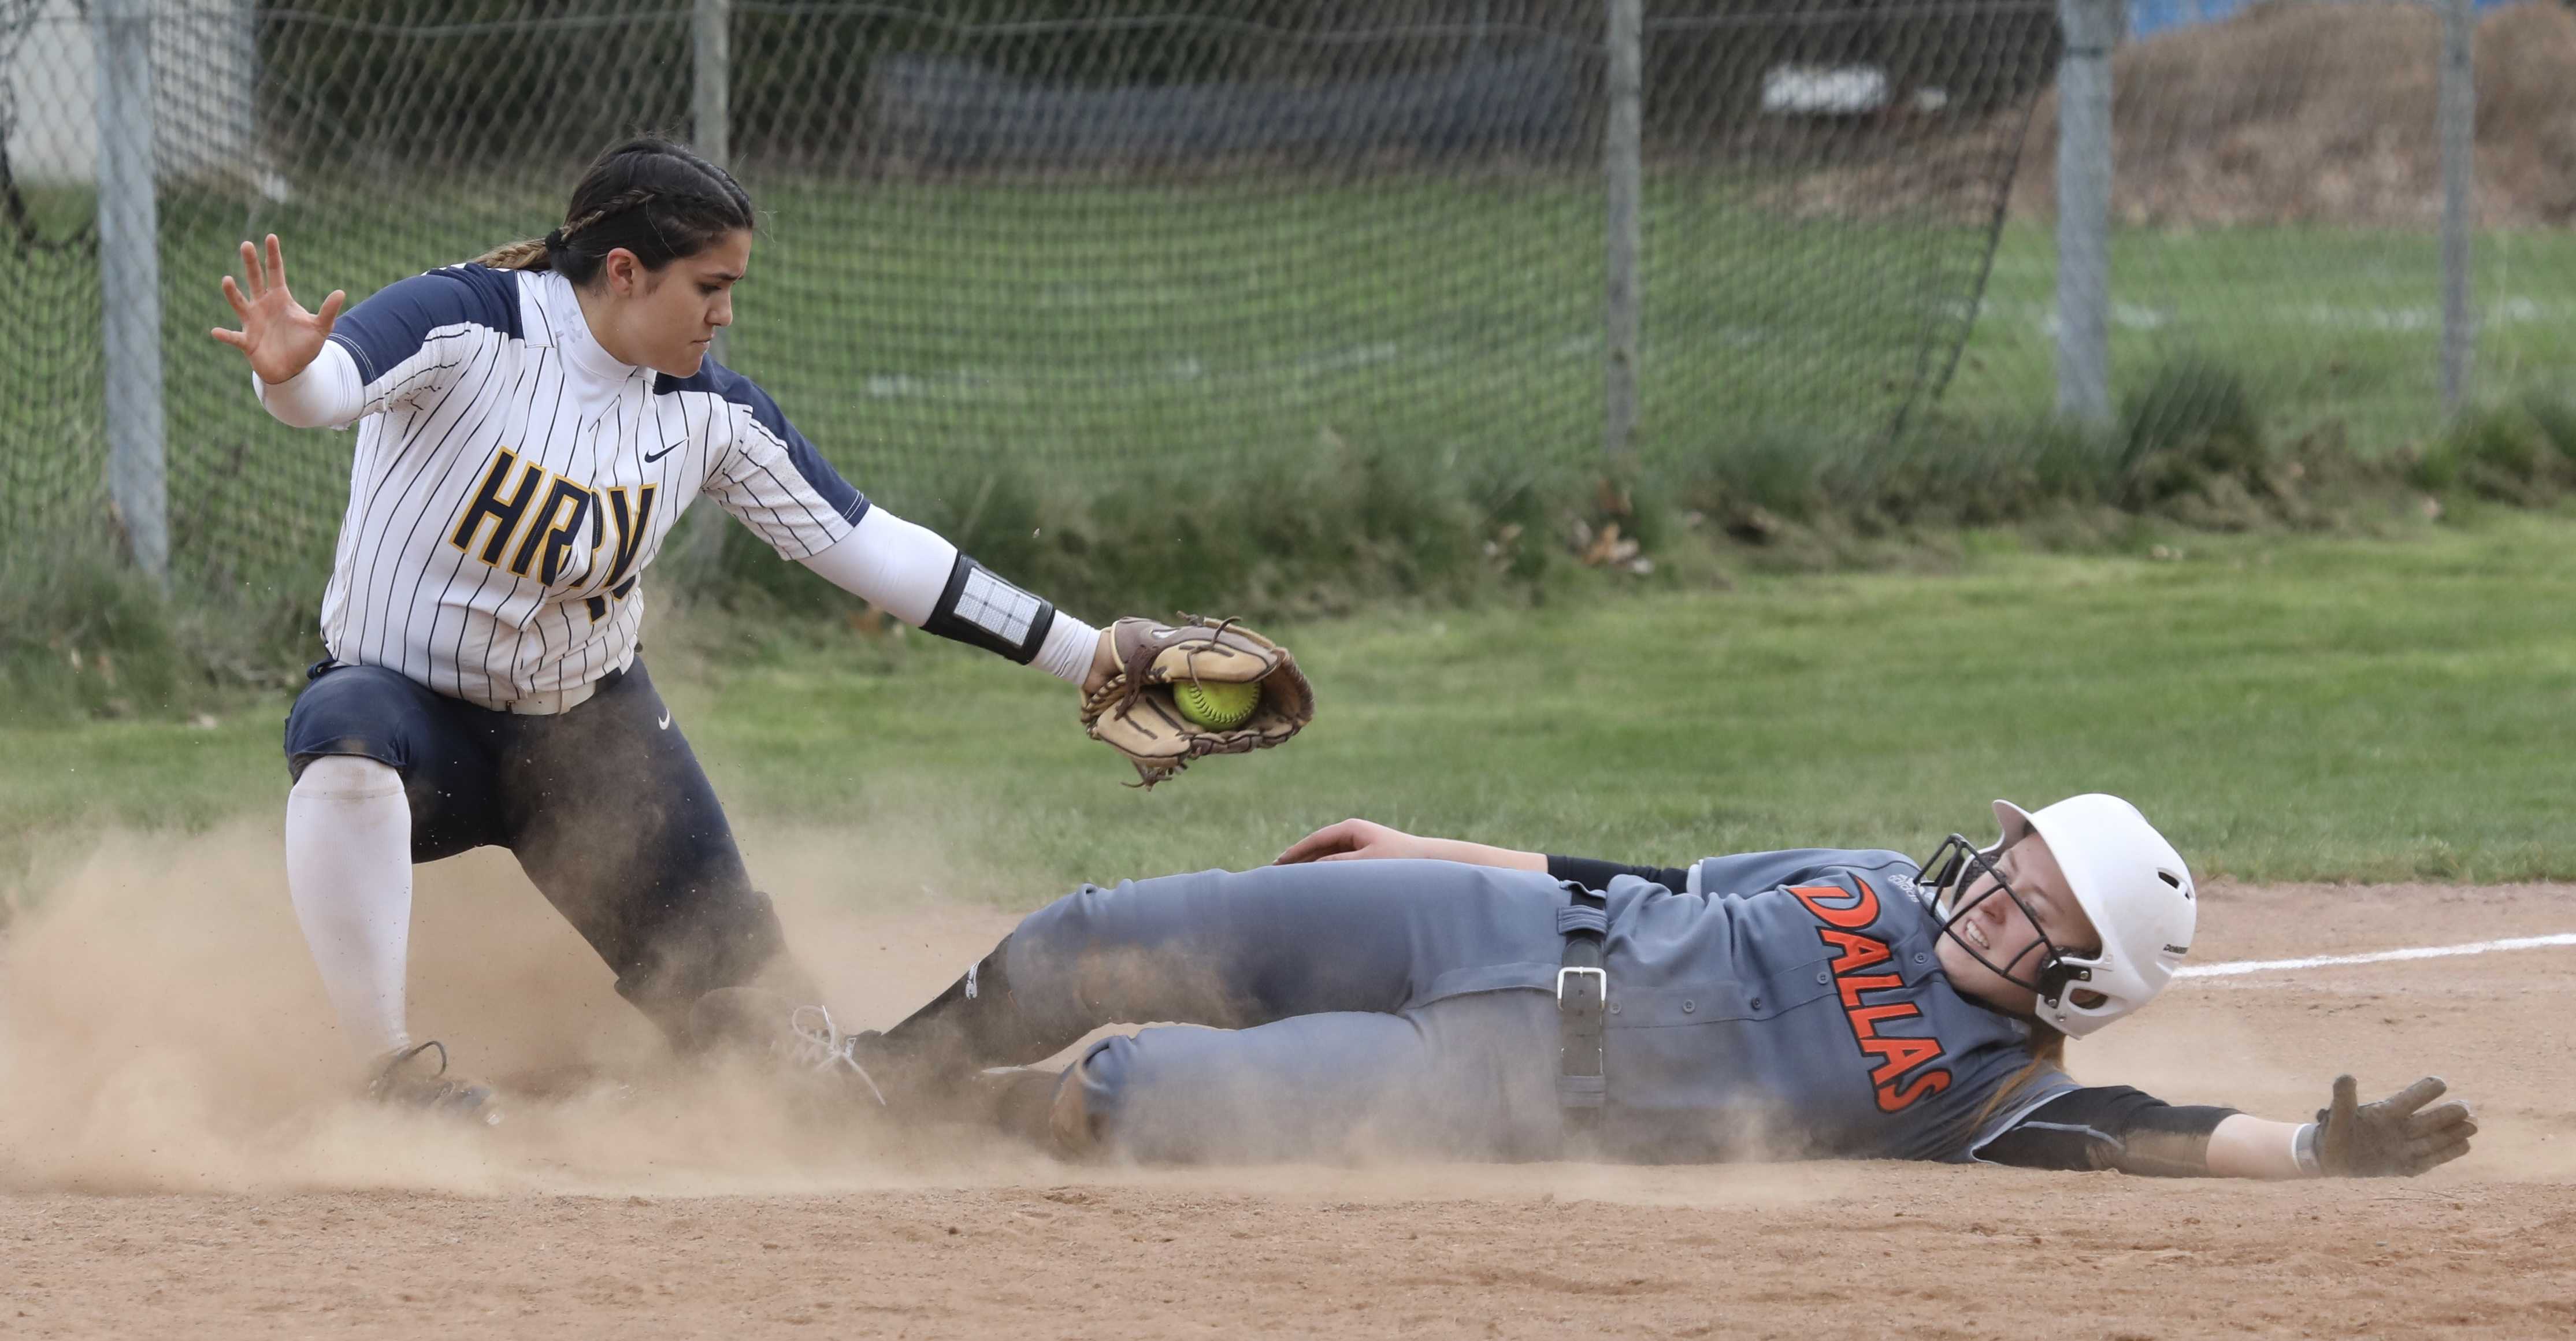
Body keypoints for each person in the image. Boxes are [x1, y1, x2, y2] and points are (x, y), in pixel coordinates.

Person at [210, 136, 1244, 1120]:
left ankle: (774, 1095)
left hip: (590, 750)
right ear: (624, 270)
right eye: (710, 287)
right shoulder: (470, 322)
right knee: (341, 731)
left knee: (771, 1053)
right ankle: (386, 1075)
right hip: (414, 721)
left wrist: (1085, 650)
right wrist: (288, 371)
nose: (725, 315)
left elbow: (877, 550)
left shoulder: (707, 410)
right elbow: (326, 390)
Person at [743, 794, 2475, 1177]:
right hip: (1476, 935)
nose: (1999, 897)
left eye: (2044, 914)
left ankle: (918, 1139)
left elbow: (2149, 1132)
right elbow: (1646, 887)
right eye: (2012, 867)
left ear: (2084, 989)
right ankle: (867, 1085)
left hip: (1503, 1094)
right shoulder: (1868, 876)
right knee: (1089, 933)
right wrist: (1425, 844)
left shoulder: (1992, 1088)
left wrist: (2309, 1155)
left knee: (1126, 1098)